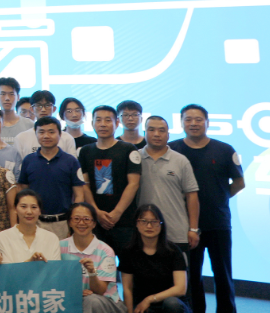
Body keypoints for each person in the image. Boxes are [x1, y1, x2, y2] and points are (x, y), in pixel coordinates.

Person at [169, 104, 244, 313]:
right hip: (186, 225)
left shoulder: (224, 149)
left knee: (223, 276)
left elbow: (239, 182)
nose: (193, 123)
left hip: (219, 223)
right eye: (188, 119)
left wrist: (220, 198)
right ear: (181, 122)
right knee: (191, 277)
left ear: (207, 122)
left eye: (198, 119)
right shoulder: (174, 149)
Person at [122, 204, 197, 313]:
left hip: (174, 307)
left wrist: (150, 298)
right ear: (136, 224)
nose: (149, 226)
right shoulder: (129, 252)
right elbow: (127, 289)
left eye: (154, 222)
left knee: (172, 303)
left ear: (161, 225)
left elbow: (180, 288)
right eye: (144, 221)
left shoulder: (173, 251)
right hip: (145, 309)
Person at [0, 189, 62, 313]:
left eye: (34, 207)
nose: (29, 212)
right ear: (15, 209)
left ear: (40, 211)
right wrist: (30, 263)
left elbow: (54, 273)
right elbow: (7, 273)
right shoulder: (3, 236)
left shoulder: (51, 238)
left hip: (43, 294)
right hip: (15, 295)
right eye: (23, 206)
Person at [138, 116, 201, 292]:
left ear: (168, 134)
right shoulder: (135, 158)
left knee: (180, 287)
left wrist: (193, 228)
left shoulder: (181, 160)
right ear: (145, 133)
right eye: (151, 130)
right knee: (144, 284)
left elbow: (192, 195)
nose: (156, 134)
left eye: (162, 130)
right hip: (144, 234)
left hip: (176, 233)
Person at [60, 202, 125, 313]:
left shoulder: (105, 251)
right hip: (75, 300)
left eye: (86, 219)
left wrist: (92, 273)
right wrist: (75, 292)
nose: (81, 223)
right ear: (69, 222)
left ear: (94, 223)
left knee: (92, 300)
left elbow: (101, 290)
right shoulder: (60, 247)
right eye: (76, 218)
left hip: (107, 304)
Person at [78, 105, 141, 255]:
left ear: (117, 123)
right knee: (97, 264)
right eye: (98, 120)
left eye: (108, 120)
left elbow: (133, 184)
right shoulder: (85, 151)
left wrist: (117, 212)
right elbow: (84, 185)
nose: (103, 124)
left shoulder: (128, 149)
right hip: (95, 222)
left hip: (124, 221)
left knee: (128, 264)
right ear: (92, 123)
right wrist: (96, 212)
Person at [16, 117, 85, 241]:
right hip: (35, 222)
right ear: (36, 134)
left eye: (51, 132)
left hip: (62, 223)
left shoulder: (71, 161)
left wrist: (74, 222)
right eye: (41, 132)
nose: (46, 136)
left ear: (60, 134)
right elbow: (23, 191)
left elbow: (79, 195)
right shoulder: (28, 160)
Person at [14, 91, 78, 158]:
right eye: (39, 106)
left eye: (47, 105)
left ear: (54, 109)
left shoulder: (67, 138)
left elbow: (72, 163)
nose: (43, 109)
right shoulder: (21, 138)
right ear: (32, 109)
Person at [0, 77, 30, 144]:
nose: (7, 98)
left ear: (18, 97)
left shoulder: (29, 125)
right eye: (3, 94)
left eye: (11, 94)